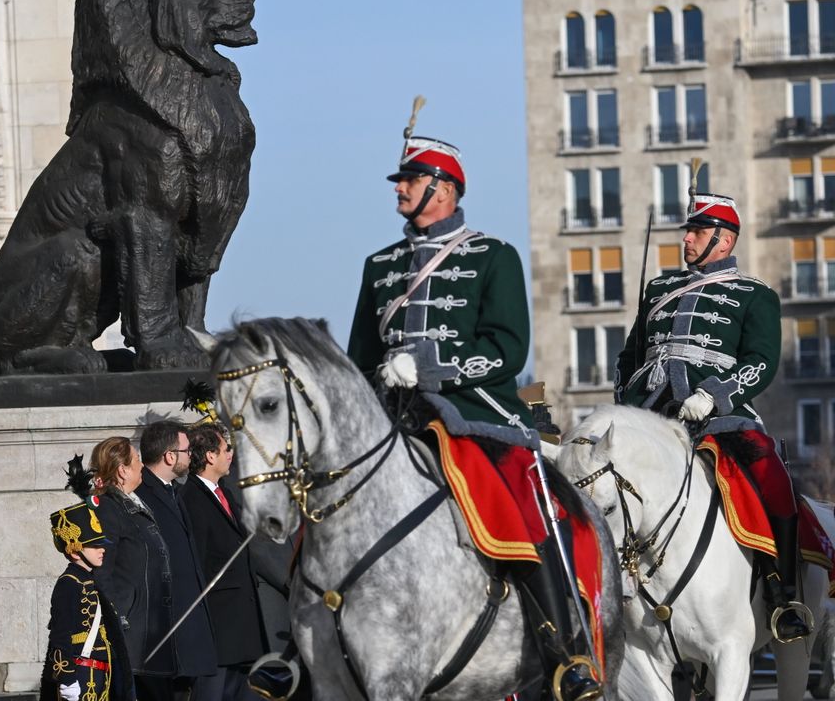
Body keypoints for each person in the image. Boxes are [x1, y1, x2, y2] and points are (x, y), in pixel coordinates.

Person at [347, 131, 601, 701]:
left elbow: (507, 349)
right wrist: (378, 380)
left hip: (473, 415)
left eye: (410, 181)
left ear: (444, 188)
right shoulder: (380, 265)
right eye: (401, 181)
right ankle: (300, 646)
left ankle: (564, 649)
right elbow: (359, 354)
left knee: (526, 509)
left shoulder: (492, 255)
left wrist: (433, 370)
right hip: (396, 421)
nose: (399, 191)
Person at [614, 192, 811, 641]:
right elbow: (630, 355)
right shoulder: (659, 290)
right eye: (688, 230)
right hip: (650, 417)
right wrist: (624, 401)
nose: (687, 238)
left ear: (724, 241)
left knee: (770, 477)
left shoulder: (755, 295)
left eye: (698, 231)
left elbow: (761, 361)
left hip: (719, 419)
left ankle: (783, 594)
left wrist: (714, 395)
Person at [180, 424, 265, 701]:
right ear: (210, 457)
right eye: (226, 449)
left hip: (244, 630)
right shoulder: (190, 499)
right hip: (218, 632)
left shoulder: (226, 492)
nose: (231, 454)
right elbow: (196, 566)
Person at [87, 436, 175, 701]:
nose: (142, 466)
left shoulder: (134, 504)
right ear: (123, 470)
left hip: (153, 633)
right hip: (132, 637)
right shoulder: (108, 510)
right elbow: (101, 572)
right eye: (137, 460)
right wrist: (120, 618)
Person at [134, 422, 218, 696]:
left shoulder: (173, 491)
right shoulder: (140, 495)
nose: (190, 456)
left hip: (187, 628)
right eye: (186, 450)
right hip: (165, 631)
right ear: (169, 456)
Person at [41, 496, 134, 701]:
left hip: (102, 673)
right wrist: (66, 679)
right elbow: (60, 636)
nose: (103, 549)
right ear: (74, 551)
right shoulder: (68, 583)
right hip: (81, 674)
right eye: (94, 546)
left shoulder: (92, 581)